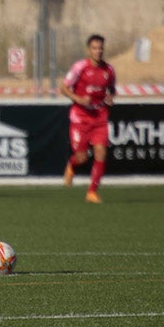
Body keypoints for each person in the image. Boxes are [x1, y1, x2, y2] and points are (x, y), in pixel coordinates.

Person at [59, 34, 116, 204]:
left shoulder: (109, 70)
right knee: (82, 158)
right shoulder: (80, 67)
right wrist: (78, 99)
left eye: (100, 48)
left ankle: (92, 192)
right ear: (89, 50)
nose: (98, 51)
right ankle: (72, 165)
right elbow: (64, 87)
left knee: (101, 152)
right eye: (95, 48)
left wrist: (110, 98)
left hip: (100, 117)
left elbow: (111, 90)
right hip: (81, 117)